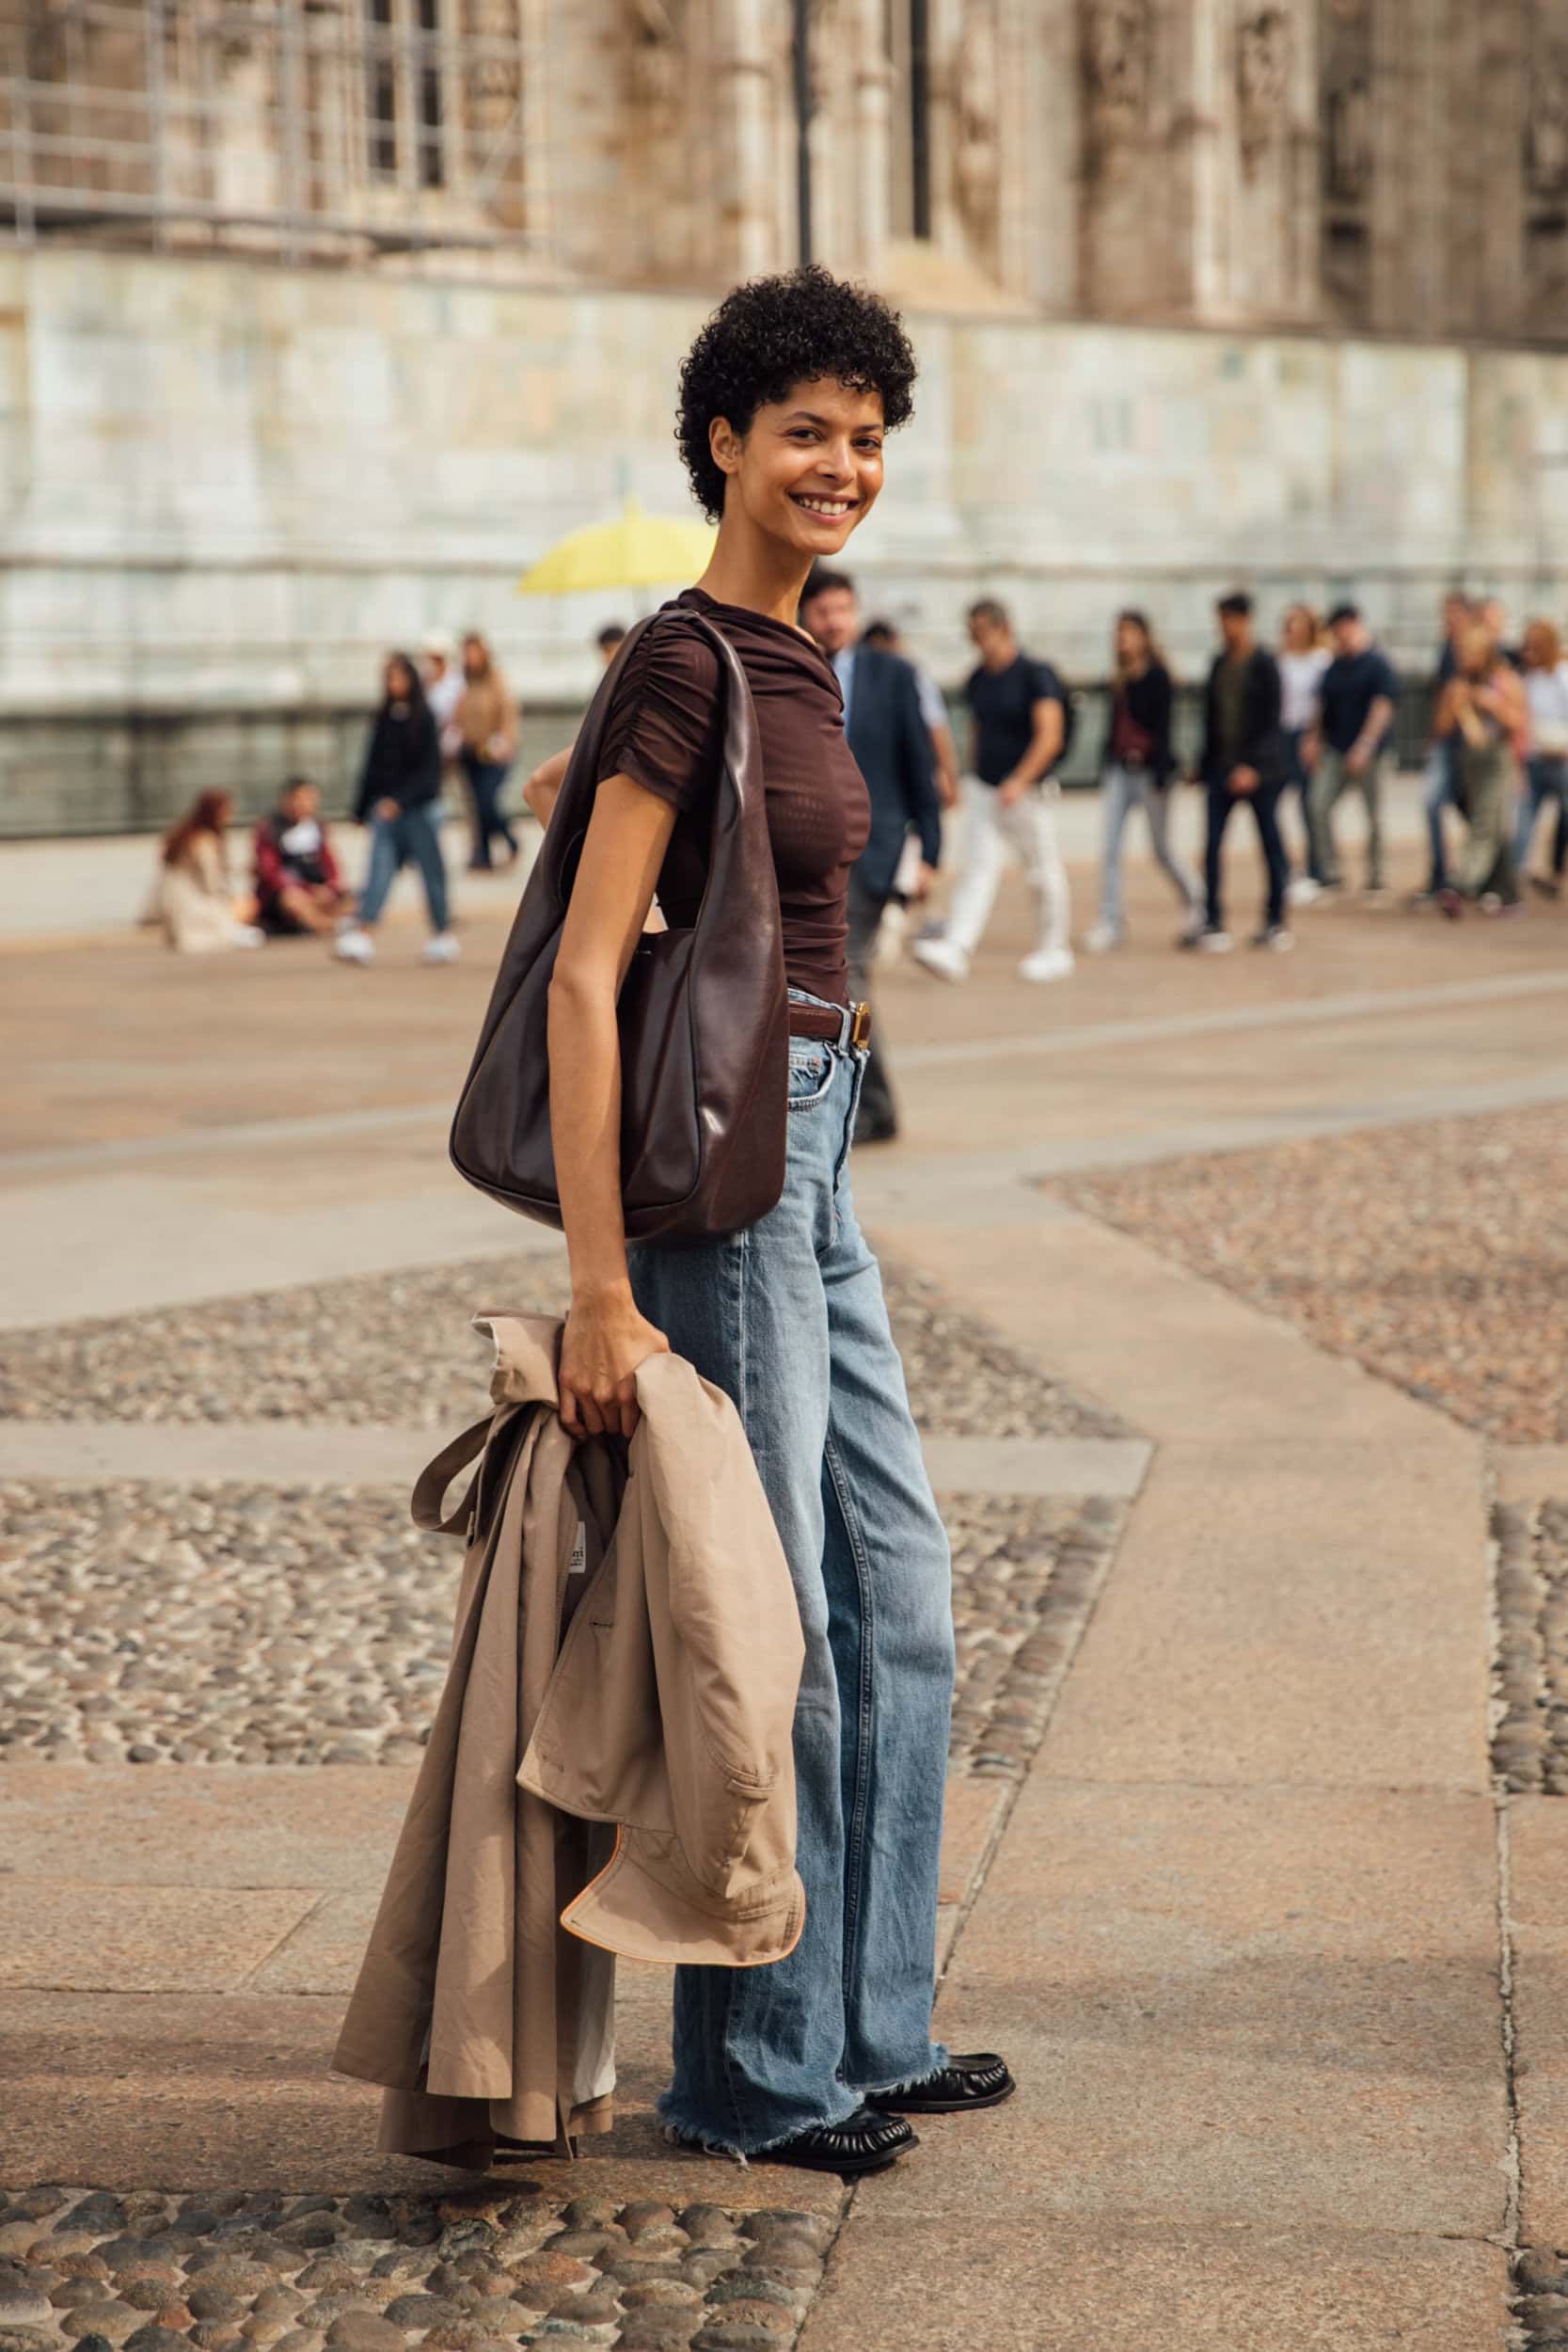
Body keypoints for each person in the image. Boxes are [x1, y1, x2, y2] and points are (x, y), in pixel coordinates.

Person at [542, 263, 1009, 2177]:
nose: (842, 462)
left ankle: (871, 2022)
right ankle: (752, 2068)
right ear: (722, 440)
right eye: (806, 429)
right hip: (731, 1161)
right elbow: (587, 974)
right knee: (773, 1616)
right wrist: (596, 1288)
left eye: (866, 434)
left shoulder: (800, 654)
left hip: (813, 1147)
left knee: (899, 1597)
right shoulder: (684, 662)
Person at [801, 567, 942, 1145]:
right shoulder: (795, 670)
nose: (835, 621)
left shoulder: (894, 674)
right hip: (813, 851)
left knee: (849, 972)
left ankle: (871, 1104)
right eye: (823, 611)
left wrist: (931, 851)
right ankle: (856, 1103)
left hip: (874, 850)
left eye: (843, 609)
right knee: (835, 977)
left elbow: (919, 765)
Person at [913, 599, 1073, 984]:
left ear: (1005, 629)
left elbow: (1050, 735)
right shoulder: (977, 679)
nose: (977, 640)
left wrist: (1020, 779)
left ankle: (1055, 948)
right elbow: (977, 730)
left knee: (1042, 871)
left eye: (983, 631)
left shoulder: (1036, 675)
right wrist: (966, 776)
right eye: (972, 632)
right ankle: (957, 947)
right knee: (978, 869)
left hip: (1030, 792)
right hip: (986, 788)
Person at [1084, 608, 1200, 951]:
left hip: (1151, 773)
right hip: (1119, 770)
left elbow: (1164, 730)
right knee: (1110, 848)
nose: (1122, 638)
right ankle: (1111, 920)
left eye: (1129, 632)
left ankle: (1198, 901)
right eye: (1119, 632)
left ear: (1144, 637)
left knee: (1161, 850)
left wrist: (1162, 775)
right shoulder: (1119, 679)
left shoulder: (1158, 677)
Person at [336, 652, 458, 965]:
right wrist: (361, 808)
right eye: (388, 677)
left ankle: (442, 934)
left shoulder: (424, 717)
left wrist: (400, 802)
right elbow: (372, 766)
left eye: (398, 676)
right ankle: (364, 933)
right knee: (378, 870)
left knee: (432, 873)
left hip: (420, 811)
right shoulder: (384, 718)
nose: (392, 683)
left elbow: (429, 773)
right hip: (385, 812)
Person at [1192, 591, 1291, 952]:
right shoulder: (1219, 663)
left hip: (1260, 773)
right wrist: (1203, 765)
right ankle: (1213, 920)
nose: (1224, 628)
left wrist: (1255, 767)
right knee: (1212, 847)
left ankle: (1276, 920)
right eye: (1221, 621)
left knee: (1270, 844)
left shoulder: (1264, 663)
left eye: (1229, 620)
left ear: (1245, 620)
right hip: (1222, 768)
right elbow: (1211, 719)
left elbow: (1272, 721)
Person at [1434, 619, 1528, 916]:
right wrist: (1457, 705)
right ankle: (1508, 894)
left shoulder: (1505, 680)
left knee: (1485, 822)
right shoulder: (1458, 683)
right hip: (1471, 759)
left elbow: (1520, 722)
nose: (1463, 657)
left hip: (1498, 757)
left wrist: (1493, 704)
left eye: (1469, 652)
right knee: (1495, 826)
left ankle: (1461, 884)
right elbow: (1441, 727)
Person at [1305, 603, 1398, 899]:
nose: (1340, 635)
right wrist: (1313, 739)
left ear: (1355, 625)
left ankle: (1377, 877)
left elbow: (1383, 706)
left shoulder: (1377, 664)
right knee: (1318, 805)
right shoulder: (1334, 666)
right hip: (1336, 749)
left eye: (1343, 628)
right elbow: (1322, 706)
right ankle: (1331, 873)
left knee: (1374, 816)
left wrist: (1366, 745)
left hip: (1371, 753)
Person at [863, 617, 960, 808]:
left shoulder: (914, 678)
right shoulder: (862, 683)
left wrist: (948, 776)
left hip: (915, 774)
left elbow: (937, 729)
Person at [150, 790, 264, 954]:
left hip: (175, 909)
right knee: (248, 905)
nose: (229, 817)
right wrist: (228, 901)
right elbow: (212, 883)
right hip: (197, 909)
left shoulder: (186, 836)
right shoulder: (204, 840)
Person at [1415, 591, 1473, 902]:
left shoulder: (1477, 648)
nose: (1447, 620)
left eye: (1453, 614)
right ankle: (1441, 875)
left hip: (1472, 747)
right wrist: (1434, 737)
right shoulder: (1447, 649)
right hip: (1448, 743)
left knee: (1475, 811)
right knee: (1433, 803)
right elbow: (1442, 698)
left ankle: (1481, 874)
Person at [1276, 604, 1330, 901]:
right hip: (1282, 733)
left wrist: (1314, 737)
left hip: (1307, 734)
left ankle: (1316, 868)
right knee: (1273, 803)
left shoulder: (1321, 660)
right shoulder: (1281, 660)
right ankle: (1285, 867)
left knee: (1309, 803)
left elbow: (1323, 702)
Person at [252, 776, 350, 936]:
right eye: (301, 799)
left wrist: (331, 886)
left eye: (310, 799)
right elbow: (270, 872)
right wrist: (307, 889)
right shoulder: (270, 829)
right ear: (287, 800)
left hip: (317, 890)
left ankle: (322, 921)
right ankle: (325, 925)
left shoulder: (316, 827)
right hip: (286, 894)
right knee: (293, 901)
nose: (306, 804)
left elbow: (329, 862)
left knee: (350, 899)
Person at [456, 630, 520, 870]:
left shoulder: (495, 679)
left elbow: (508, 712)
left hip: (493, 751)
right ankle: (482, 854)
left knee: (487, 801)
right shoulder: (463, 681)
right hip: (470, 750)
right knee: (476, 805)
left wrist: (506, 740)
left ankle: (510, 839)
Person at [1514, 618, 1568, 893]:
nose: (1527, 653)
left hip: (1561, 757)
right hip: (1534, 757)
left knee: (1565, 815)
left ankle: (1557, 870)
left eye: (1533, 647)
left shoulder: (1562, 676)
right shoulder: (1528, 678)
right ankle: (1516, 875)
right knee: (1524, 817)